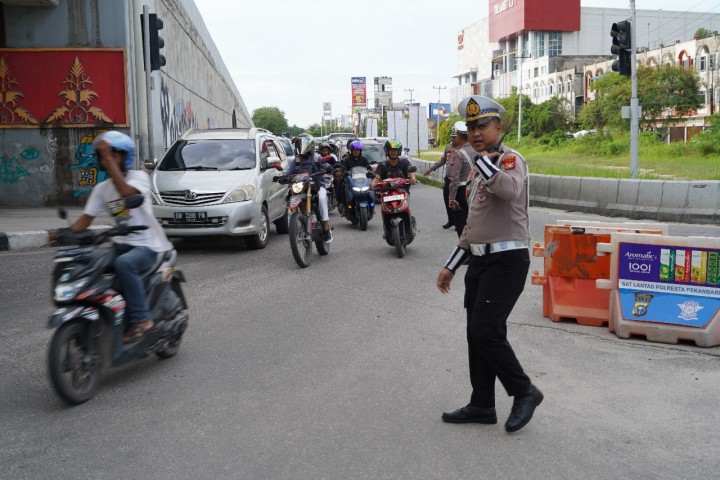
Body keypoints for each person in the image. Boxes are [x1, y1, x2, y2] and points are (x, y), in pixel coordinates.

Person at [435, 96, 542, 434]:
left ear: (498, 127)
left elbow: (509, 191)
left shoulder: (510, 161)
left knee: (486, 331)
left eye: (482, 125)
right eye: (471, 127)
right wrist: (451, 266)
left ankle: (525, 391)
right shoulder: (481, 171)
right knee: (475, 333)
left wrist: (482, 162)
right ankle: (482, 404)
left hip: (507, 262)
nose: (476, 132)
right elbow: (471, 228)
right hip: (480, 263)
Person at [50, 131, 173, 343]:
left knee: (125, 264)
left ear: (125, 157)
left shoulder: (139, 178)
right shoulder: (101, 189)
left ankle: (142, 320)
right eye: (104, 156)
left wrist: (108, 160)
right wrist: (61, 233)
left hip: (149, 246)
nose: (107, 160)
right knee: (91, 261)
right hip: (122, 243)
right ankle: (103, 313)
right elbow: (85, 220)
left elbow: (126, 193)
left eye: (114, 155)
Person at [287, 133, 333, 242]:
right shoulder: (296, 159)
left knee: (321, 199)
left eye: (302, 145)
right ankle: (295, 224)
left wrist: (328, 168)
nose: (300, 147)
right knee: (290, 196)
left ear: (310, 146)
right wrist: (283, 176)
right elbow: (289, 172)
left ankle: (326, 229)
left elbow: (326, 166)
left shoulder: (317, 157)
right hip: (302, 186)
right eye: (298, 145)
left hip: (317, 186)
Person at [445, 121, 472, 237]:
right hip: (475, 190)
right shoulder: (479, 150)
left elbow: (454, 179)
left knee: (462, 225)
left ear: (459, 136)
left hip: (461, 192)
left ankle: (466, 251)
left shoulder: (458, 154)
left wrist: (451, 198)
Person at [424, 137, 457, 229]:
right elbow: (443, 160)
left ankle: (459, 222)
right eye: (452, 137)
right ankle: (451, 221)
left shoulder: (464, 148)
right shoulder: (448, 146)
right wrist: (431, 168)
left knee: (457, 201)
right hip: (448, 178)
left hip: (458, 180)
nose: (453, 139)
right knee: (447, 199)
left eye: (455, 136)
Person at [337, 140, 372, 214]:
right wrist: (342, 172)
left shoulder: (364, 159)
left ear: (360, 151)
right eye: (354, 150)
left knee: (371, 185)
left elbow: (369, 168)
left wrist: (371, 172)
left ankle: (371, 202)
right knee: (341, 184)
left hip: (362, 180)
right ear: (351, 151)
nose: (356, 151)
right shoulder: (347, 160)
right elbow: (343, 168)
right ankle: (342, 204)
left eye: (357, 150)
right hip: (351, 180)